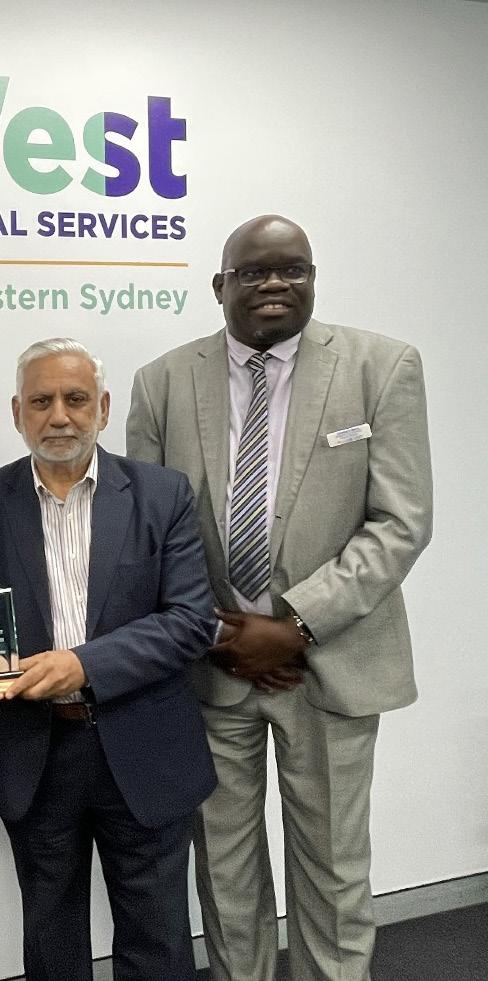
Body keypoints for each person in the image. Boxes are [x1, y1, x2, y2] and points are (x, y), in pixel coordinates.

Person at [126, 215, 433, 981]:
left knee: (334, 867)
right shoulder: (162, 382)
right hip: (212, 670)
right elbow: (148, 534)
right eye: (255, 271)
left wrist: (295, 623)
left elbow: (401, 521)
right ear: (219, 284)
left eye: (293, 269)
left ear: (313, 278)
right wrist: (220, 635)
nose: (274, 283)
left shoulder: (382, 366)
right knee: (225, 873)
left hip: (332, 665)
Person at [0, 337, 217, 981]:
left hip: (144, 744)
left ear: (103, 407)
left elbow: (191, 621)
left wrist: (83, 666)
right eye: (41, 401)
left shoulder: (162, 494)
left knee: (157, 937)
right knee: (50, 938)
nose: (59, 416)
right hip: (32, 753)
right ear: (17, 413)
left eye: (75, 399)